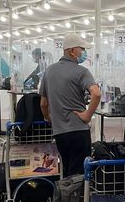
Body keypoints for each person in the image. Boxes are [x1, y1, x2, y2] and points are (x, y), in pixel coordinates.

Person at [39, 34, 101, 177]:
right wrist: (87, 115)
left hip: (59, 132)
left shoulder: (49, 71)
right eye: (82, 49)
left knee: (67, 169)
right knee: (80, 174)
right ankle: (78, 199)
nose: (84, 52)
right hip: (78, 130)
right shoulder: (82, 72)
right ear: (72, 51)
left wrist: (49, 118)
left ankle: (66, 198)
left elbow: (43, 103)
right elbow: (96, 94)